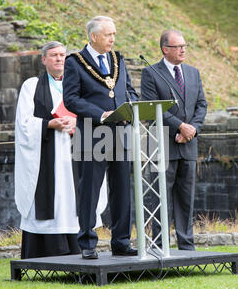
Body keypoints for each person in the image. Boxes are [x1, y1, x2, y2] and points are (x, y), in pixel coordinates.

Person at [14, 41, 107, 259]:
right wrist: (48, 124)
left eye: (63, 55)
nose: (59, 59)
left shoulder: (82, 84)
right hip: (46, 153)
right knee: (51, 199)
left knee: (77, 196)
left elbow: (98, 114)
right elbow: (23, 123)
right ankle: (45, 253)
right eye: (54, 55)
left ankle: (80, 248)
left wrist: (79, 124)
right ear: (44, 60)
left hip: (78, 150)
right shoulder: (32, 85)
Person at [63, 16, 139, 259]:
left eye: (114, 34)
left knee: (122, 190)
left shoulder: (118, 59)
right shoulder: (75, 62)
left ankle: (121, 241)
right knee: (89, 190)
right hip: (92, 134)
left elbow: (129, 90)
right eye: (108, 35)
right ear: (94, 36)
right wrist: (100, 114)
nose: (113, 39)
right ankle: (87, 243)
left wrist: (132, 108)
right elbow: (71, 99)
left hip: (120, 133)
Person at [141, 29, 207, 250]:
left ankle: (186, 245)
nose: (183, 50)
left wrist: (192, 130)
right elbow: (151, 108)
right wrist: (179, 126)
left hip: (188, 144)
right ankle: (160, 245)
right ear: (165, 49)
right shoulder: (151, 73)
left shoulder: (193, 73)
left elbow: (201, 105)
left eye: (184, 45)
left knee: (186, 198)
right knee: (161, 199)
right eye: (178, 46)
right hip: (163, 145)